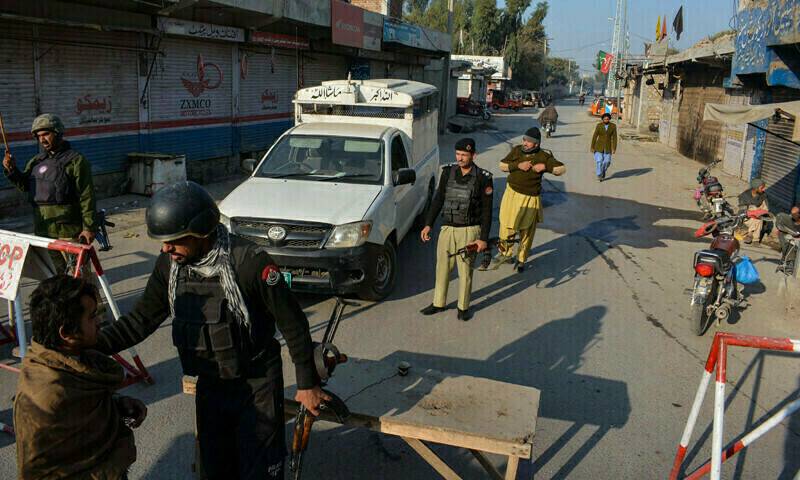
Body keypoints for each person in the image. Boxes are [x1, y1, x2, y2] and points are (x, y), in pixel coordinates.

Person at [94, 181, 326, 479]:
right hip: (211, 385)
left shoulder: (249, 263)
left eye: (174, 240)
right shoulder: (171, 266)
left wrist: (307, 385)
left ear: (202, 230)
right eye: (163, 241)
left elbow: (293, 323)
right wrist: (89, 346)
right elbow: (140, 320)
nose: (166, 248)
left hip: (256, 384)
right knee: (214, 470)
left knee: (260, 470)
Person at [14, 275, 147, 480]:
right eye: (92, 317)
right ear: (66, 332)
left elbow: (81, 408)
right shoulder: (46, 397)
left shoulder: (73, 359)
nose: (99, 322)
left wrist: (116, 405)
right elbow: (37, 472)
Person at [2, 114, 97, 274]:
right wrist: (11, 170)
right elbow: (26, 186)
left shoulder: (76, 161)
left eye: (46, 134)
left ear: (58, 133)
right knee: (55, 277)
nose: (42, 140)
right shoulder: (36, 161)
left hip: (69, 233)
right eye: (38, 136)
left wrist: (88, 227)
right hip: (44, 231)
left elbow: (86, 196)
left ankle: (89, 300)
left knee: (79, 278)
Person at [420, 138, 493, 321]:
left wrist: (483, 238)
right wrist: (428, 224)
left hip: (469, 231)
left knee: (465, 271)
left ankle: (463, 307)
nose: (460, 158)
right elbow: (437, 200)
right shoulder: (447, 173)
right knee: (442, 268)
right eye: (458, 154)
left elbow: (487, 211)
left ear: (473, 155)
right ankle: (438, 302)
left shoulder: (483, 178)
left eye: (464, 155)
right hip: (448, 229)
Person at [491, 127, 566, 272]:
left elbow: (561, 169)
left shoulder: (544, 155)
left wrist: (545, 166)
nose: (525, 143)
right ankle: (505, 253)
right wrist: (517, 165)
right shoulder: (517, 150)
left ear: (536, 144)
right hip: (511, 194)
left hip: (530, 198)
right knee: (506, 225)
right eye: (524, 140)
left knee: (526, 231)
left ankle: (521, 259)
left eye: (529, 141)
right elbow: (502, 165)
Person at [737, 178, 769, 244]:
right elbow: (742, 211)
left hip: (758, 217)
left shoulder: (763, 195)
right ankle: (755, 239)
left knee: (758, 219)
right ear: (756, 188)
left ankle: (750, 234)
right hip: (746, 218)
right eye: (761, 188)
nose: (763, 189)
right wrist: (753, 212)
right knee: (756, 216)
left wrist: (760, 211)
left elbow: (766, 208)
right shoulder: (744, 196)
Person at [590, 112, 617, 182]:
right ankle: (599, 175)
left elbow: (615, 138)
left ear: (609, 119)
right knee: (599, 161)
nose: (606, 120)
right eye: (604, 119)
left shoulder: (613, 126)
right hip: (598, 147)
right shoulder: (599, 125)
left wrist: (614, 148)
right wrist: (592, 147)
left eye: (607, 119)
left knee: (607, 162)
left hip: (608, 147)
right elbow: (595, 136)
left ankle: (603, 171)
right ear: (602, 120)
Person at [775, 206, 800, 273]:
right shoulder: (791, 219)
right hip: (793, 232)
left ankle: (790, 262)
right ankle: (787, 261)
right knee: (786, 237)